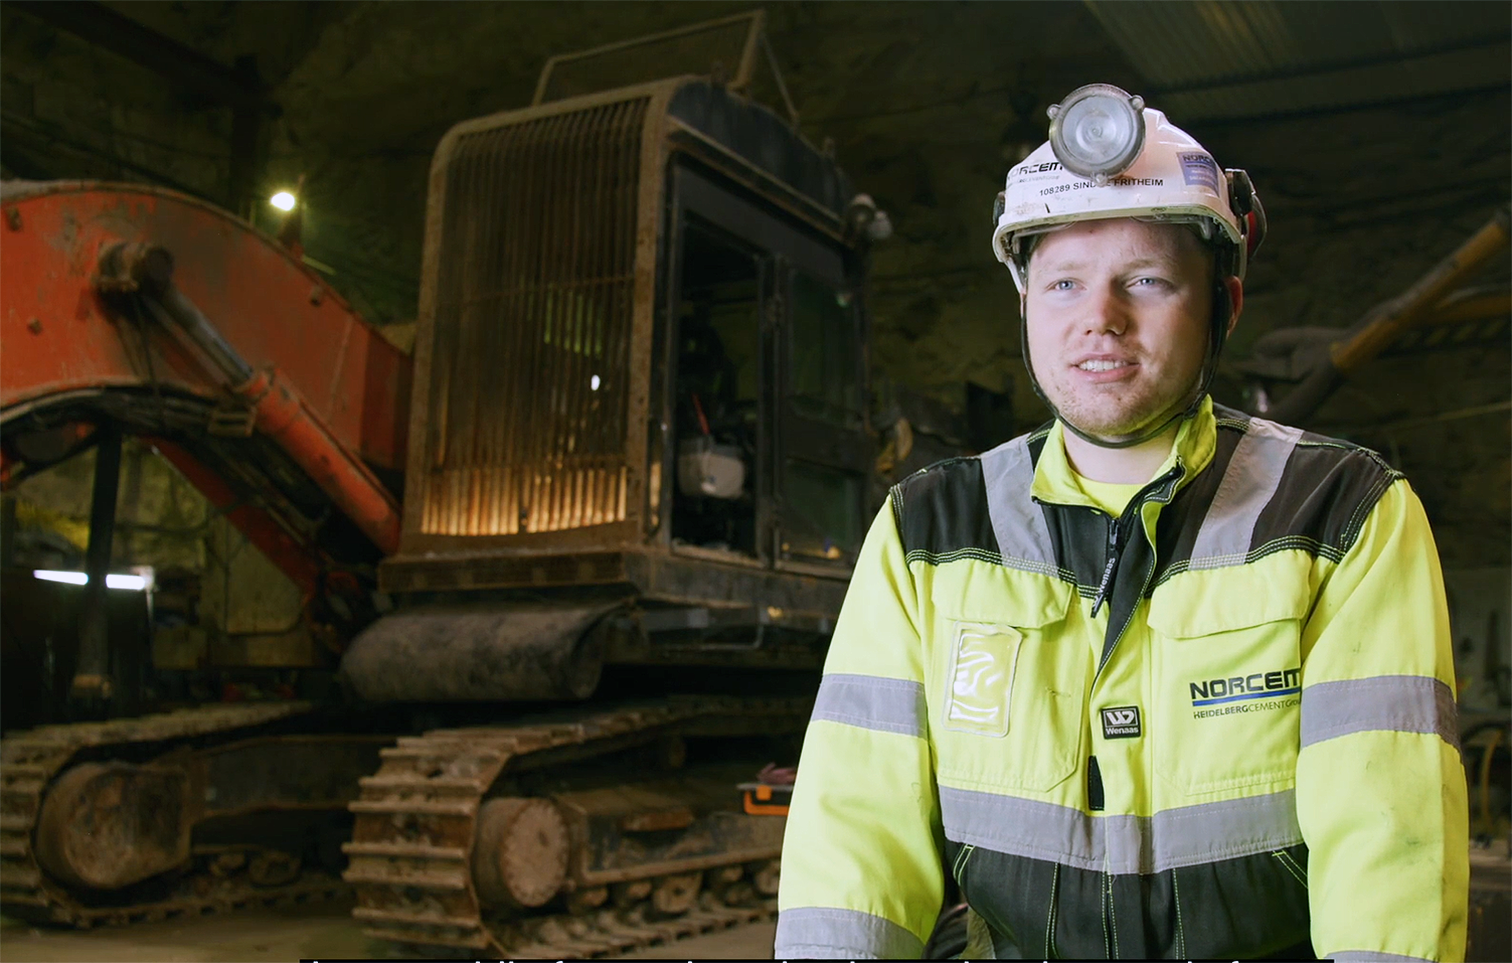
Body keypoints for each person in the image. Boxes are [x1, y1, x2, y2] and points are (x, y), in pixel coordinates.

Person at [774, 84, 1467, 961]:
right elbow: (852, 843)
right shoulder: (928, 530)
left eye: (1146, 279)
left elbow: (1389, 852)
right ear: (1025, 304)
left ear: (1223, 305)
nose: (1099, 317)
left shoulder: (1341, 514)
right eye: (1064, 282)